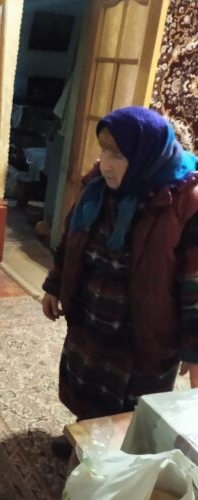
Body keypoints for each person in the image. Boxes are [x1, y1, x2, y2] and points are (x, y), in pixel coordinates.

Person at [41, 106, 198, 457]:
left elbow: (194, 283)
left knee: (132, 408)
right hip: (92, 315)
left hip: (144, 330)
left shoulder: (183, 203)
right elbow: (72, 241)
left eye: (117, 155)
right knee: (88, 385)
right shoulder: (97, 188)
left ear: (145, 154)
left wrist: (194, 349)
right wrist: (54, 285)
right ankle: (84, 436)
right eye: (103, 151)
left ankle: (118, 459)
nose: (105, 164)